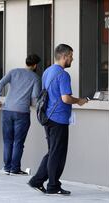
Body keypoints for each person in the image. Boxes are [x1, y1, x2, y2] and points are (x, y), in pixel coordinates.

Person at [28, 44, 88, 195]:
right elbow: (65, 98)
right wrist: (79, 100)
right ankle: (53, 186)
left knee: (52, 151)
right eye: (71, 56)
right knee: (58, 154)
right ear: (64, 56)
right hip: (59, 119)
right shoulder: (63, 75)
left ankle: (37, 180)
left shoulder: (47, 72)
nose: (72, 59)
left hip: (47, 117)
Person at [0, 54, 41, 175]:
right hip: (22, 112)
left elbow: (0, 84)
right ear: (35, 65)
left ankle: (6, 167)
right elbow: (35, 97)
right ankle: (15, 169)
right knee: (18, 142)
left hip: (7, 110)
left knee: (7, 141)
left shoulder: (13, 72)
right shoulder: (35, 78)